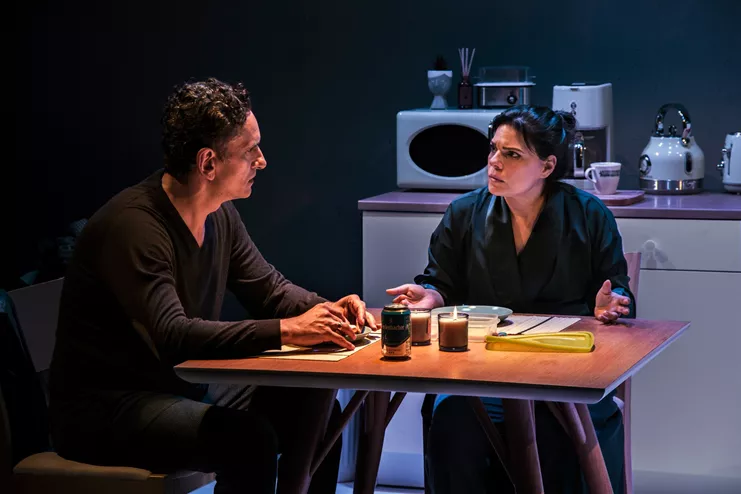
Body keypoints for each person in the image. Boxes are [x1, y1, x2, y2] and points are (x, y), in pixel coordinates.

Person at [48, 77, 377, 494]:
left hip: (180, 385)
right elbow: (174, 336)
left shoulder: (218, 214)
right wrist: (289, 330)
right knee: (248, 439)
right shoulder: (135, 226)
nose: (262, 161)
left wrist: (329, 310)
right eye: (250, 151)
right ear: (208, 164)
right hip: (105, 409)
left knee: (318, 414)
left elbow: (269, 290)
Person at [386, 105, 634, 493]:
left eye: (512, 154)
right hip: (481, 370)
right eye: (493, 149)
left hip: (564, 370)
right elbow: (440, 282)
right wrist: (430, 296)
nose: (494, 162)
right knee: (453, 420)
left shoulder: (588, 215)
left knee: (561, 431)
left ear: (547, 167)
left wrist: (609, 303)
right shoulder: (464, 213)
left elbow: (616, 289)